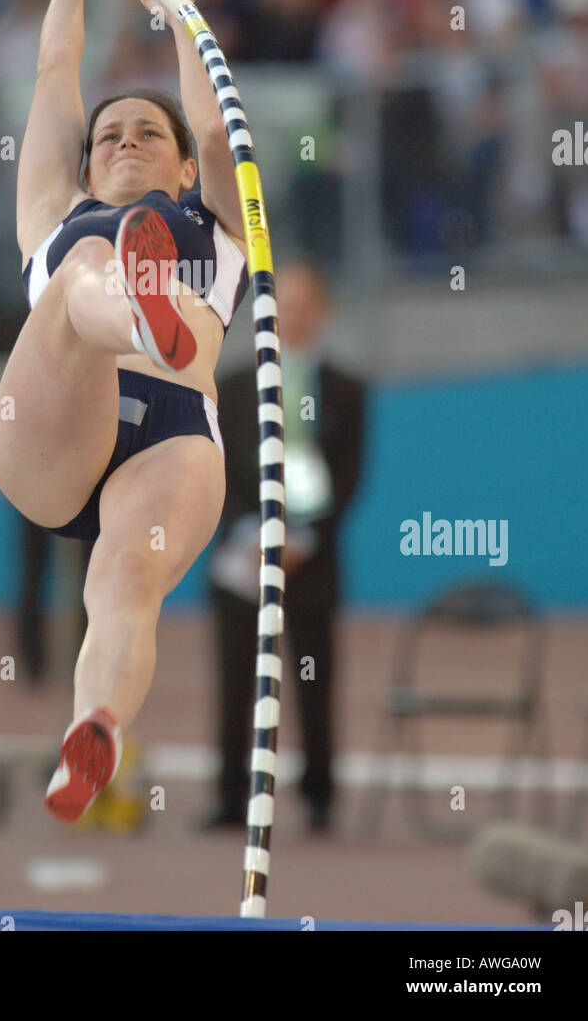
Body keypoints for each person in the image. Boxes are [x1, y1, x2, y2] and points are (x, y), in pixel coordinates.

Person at [0, 0, 250, 821]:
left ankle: (91, 730)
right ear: (86, 163)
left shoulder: (214, 229)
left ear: (178, 169)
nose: (126, 142)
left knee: (125, 583)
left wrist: (178, 12)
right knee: (81, 277)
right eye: (109, 137)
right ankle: (132, 307)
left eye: (147, 134)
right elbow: (53, 79)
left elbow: (215, 132)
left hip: (169, 442)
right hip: (53, 431)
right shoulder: (54, 223)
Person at [204, 261, 367, 835]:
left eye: (303, 304)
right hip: (243, 560)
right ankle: (230, 795)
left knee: (314, 679)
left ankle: (319, 796)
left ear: (321, 314)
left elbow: (348, 475)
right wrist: (254, 536)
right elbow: (216, 471)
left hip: (311, 564)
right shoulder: (228, 388)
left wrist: (304, 539)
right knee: (234, 680)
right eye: (281, 304)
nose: (291, 316)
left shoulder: (347, 390)